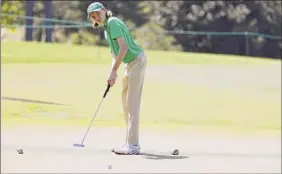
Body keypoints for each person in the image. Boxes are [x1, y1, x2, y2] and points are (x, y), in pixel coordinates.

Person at [87, 2, 147, 155]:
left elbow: (124, 47)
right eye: (93, 17)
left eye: (97, 14)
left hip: (136, 60)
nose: (96, 18)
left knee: (132, 103)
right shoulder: (107, 29)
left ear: (104, 11)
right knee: (125, 102)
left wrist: (115, 70)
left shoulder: (112, 22)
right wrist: (112, 73)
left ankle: (133, 146)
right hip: (129, 63)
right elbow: (115, 54)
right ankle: (129, 142)